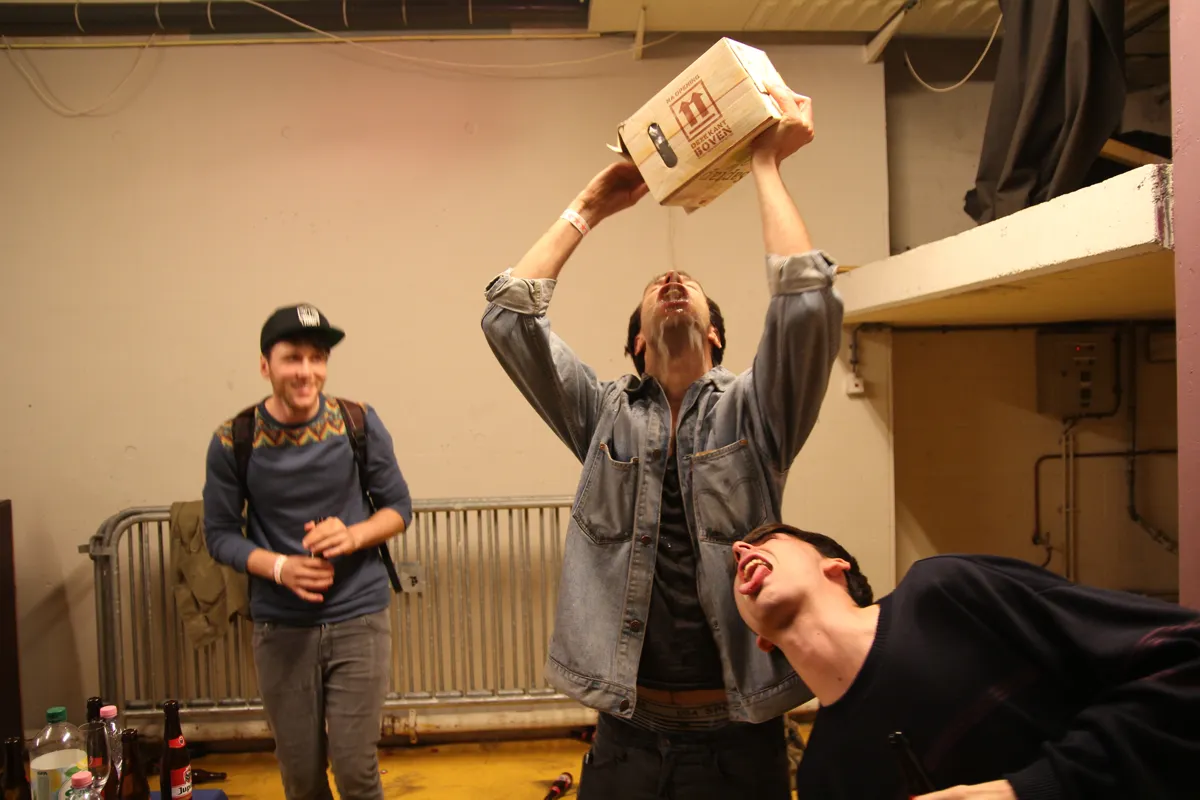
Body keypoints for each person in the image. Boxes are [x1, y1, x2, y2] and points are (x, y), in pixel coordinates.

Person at [480, 82, 843, 798]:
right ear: (638, 342)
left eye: (688, 284)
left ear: (714, 333)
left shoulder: (757, 413)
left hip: (740, 735)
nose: (672, 280)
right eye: (656, 286)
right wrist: (589, 208)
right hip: (628, 736)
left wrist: (765, 164)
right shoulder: (602, 415)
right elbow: (508, 321)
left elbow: (805, 304)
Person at [730, 521, 1200, 800]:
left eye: (769, 539)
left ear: (835, 566)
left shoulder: (946, 593)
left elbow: (1186, 658)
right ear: (761, 641)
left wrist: (1030, 789)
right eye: (735, 568)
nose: (740, 550)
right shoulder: (823, 780)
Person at [202, 303, 413, 800]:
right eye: (292, 358)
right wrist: (279, 568)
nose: (306, 371)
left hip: (359, 618)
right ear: (265, 366)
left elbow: (398, 508)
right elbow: (220, 534)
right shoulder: (234, 438)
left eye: (317, 358)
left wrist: (353, 535)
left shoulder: (357, 421)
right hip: (281, 628)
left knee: (356, 770)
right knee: (301, 777)